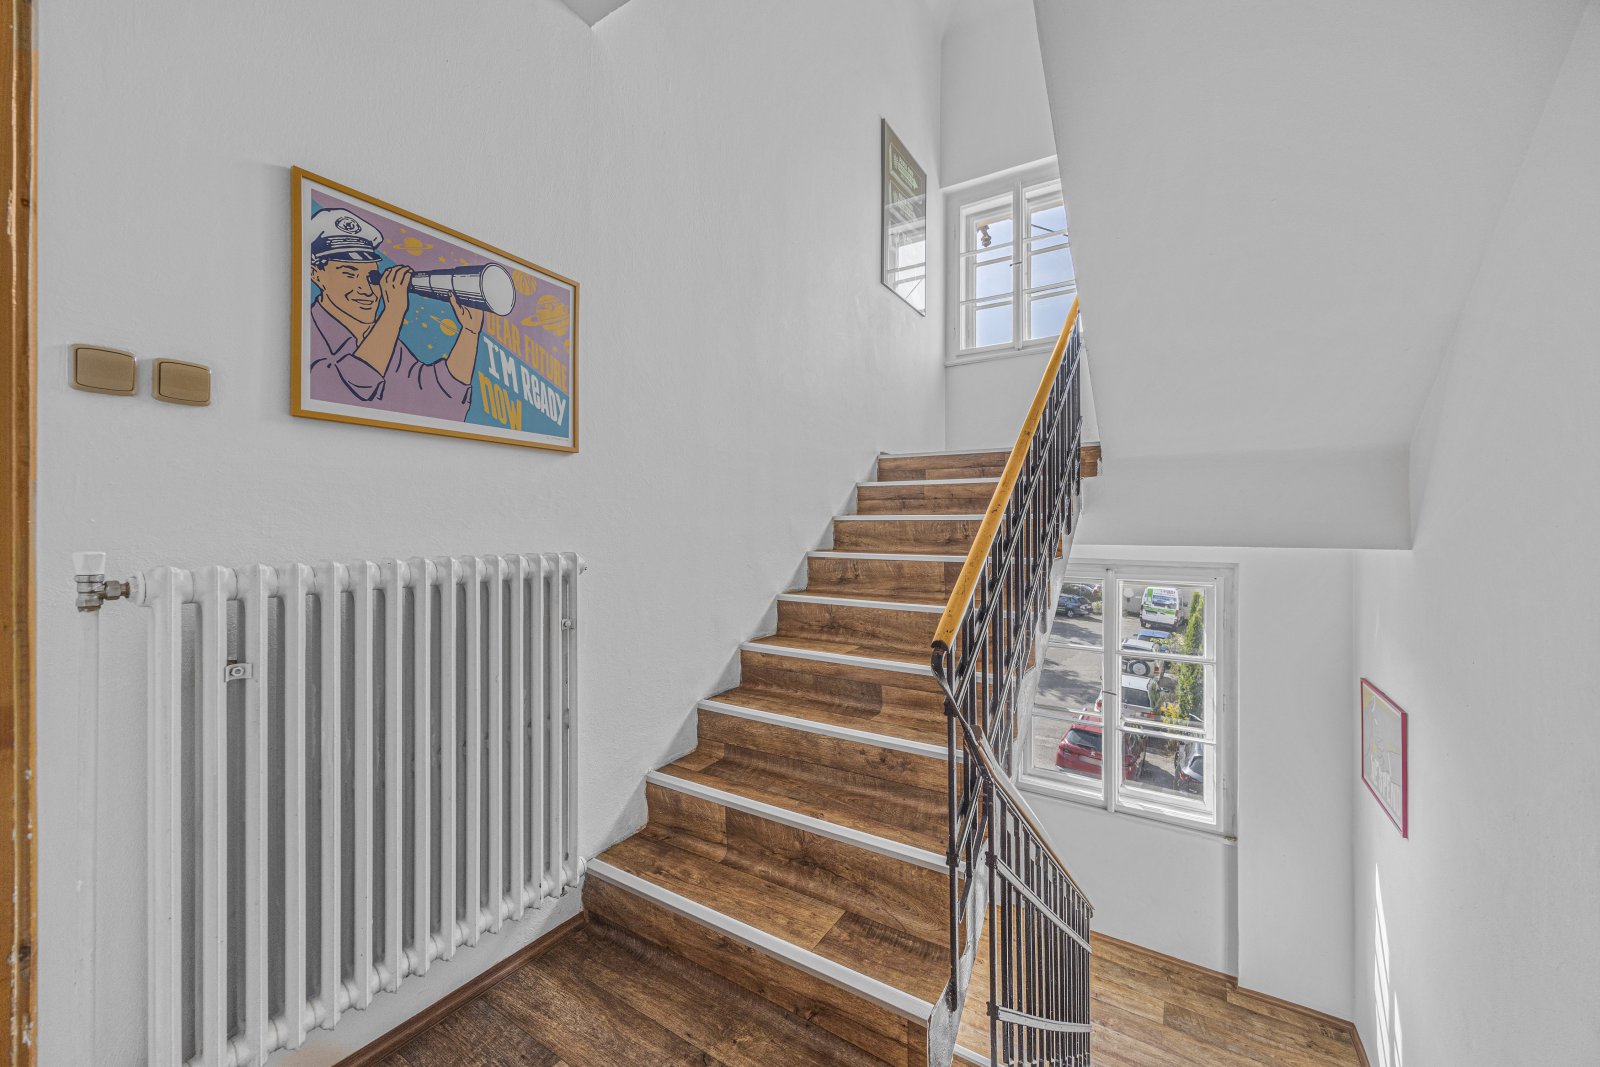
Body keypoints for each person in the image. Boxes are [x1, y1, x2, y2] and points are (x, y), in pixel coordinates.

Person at [305, 208, 481, 420]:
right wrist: (394, 311)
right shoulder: (308, 334)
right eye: (349, 275)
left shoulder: (383, 340)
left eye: (372, 277)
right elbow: (345, 390)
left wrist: (470, 333)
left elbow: (440, 402)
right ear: (316, 275)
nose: (367, 290)